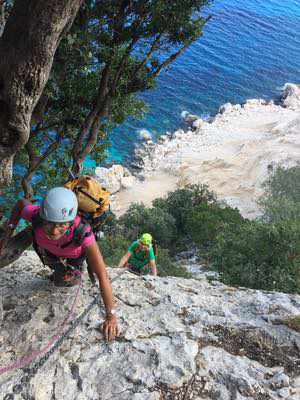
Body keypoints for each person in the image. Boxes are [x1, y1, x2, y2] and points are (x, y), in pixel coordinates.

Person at [0, 187, 119, 341]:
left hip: (73, 259)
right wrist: (9, 230)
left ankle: (73, 271)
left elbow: (103, 275)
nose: (55, 231)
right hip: (49, 254)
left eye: (62, 225)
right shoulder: (37, 216)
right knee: (56, 272)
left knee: (63, 282)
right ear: (43, 218)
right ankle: (57, 269)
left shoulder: (83, 232)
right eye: (50, 224)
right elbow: (21, 204)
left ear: (71, 221)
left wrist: (111, 316)